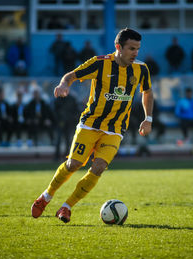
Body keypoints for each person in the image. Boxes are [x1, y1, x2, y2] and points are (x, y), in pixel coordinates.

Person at [31, 28, 153, 223]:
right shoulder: (99, 63)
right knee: (74, 164)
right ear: (118, 47)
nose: (135, 53)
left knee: (99, 167)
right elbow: (71, 75)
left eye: (137, 49)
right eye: (131, 48)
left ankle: (67, 207)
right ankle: (46, 197)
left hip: (114, 129)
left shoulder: (141, 69)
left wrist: (148, 118)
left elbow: (147, 92)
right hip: (89, 124)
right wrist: (64, 85)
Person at [54, 93, 79, 160]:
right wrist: (58, 120)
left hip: (69, 123)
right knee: (58, 140)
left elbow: (76, 111)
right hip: (60, 123)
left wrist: (72, 119)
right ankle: (57, 156)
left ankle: (67, 156)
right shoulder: (58, 99)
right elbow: (55, 111)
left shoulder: (72, 99)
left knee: (68, 141)